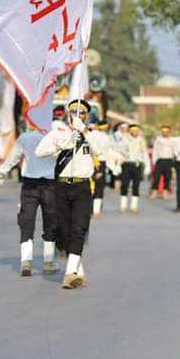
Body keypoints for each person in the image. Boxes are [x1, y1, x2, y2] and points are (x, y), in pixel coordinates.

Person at [35, 99, 103, 289]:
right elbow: (39, 152)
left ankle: (70, 273)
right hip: (62, 185)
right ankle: (77, 269)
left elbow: (98, 151)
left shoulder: (92, 134)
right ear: (68, 114)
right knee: (64, 230)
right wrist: (61, 145)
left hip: (82, 186)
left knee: (79, 228)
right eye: (74, 112)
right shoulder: (58, 133)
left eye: (82, 113)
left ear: (86, 116)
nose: (78, 115)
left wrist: (84, 132)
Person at [0, 124, 59, 277]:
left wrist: (2, 172)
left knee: (26, 221)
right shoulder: (56, 136)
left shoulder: (25, 137)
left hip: (29, 184)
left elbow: (13, 157)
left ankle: (26, 262)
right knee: (50, 222)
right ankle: (48, 262)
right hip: (50, 184)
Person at [117, 124, 149, 214]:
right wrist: (118, 164)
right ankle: (123, 205)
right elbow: (119, 151)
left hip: (137, 165)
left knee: (136, 185)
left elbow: (144, 153)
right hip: (126, 164)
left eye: (137, 130)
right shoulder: (124, 139)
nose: (135, 132)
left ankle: (134, 206)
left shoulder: (141, 140)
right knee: (124, 185)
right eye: (133, 130)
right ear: (130, 131)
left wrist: (147, 166)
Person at [91, 120, 112, 217]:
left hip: (94, 161)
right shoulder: (102, 136)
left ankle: (93, 210)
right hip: (97, 161)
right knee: (98, 186)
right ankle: (95, 210)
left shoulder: (92, 134)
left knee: (94, 185)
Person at [150, 125, 174, 200]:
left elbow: (174, 151)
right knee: (156, 177)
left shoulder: (172, 140)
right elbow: (155, 151)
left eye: (166, 131)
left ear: (169, 132)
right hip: (160, 160)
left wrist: (174, 163)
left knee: (167, 178)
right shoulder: (158, 140)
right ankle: (154, 192)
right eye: (163, 131)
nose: (165, 133)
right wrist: (154, 161)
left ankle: (165, 192)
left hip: (169, 160)